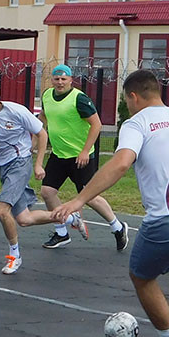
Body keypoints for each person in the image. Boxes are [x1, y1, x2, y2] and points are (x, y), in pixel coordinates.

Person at [52, 70, 169, 337]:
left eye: (126, 101)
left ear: (133, 96)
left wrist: (79, 199)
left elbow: (121, 164)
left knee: (142, 277)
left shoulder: (137, 123)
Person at [0, 76, 83, 275]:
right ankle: (69, 217)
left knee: (2, 211)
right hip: (2, 166)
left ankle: (14, 256)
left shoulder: (16, 111)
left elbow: (42, 134)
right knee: (24, 219)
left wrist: (38, 164)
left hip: (20, 161)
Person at [38, 64, 127, 250]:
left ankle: (118, 228)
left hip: (80, 157)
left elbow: (96, 124)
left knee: (90, 197)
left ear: (71, 80)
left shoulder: (79, 99)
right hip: (59, 154)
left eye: (64, 79)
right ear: (51, 80)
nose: (60, 82)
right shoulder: (47, 96)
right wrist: (35, 137)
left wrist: (85, 151)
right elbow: (44, 117)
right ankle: (61, 233)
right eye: (56, 79)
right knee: (47, 192)